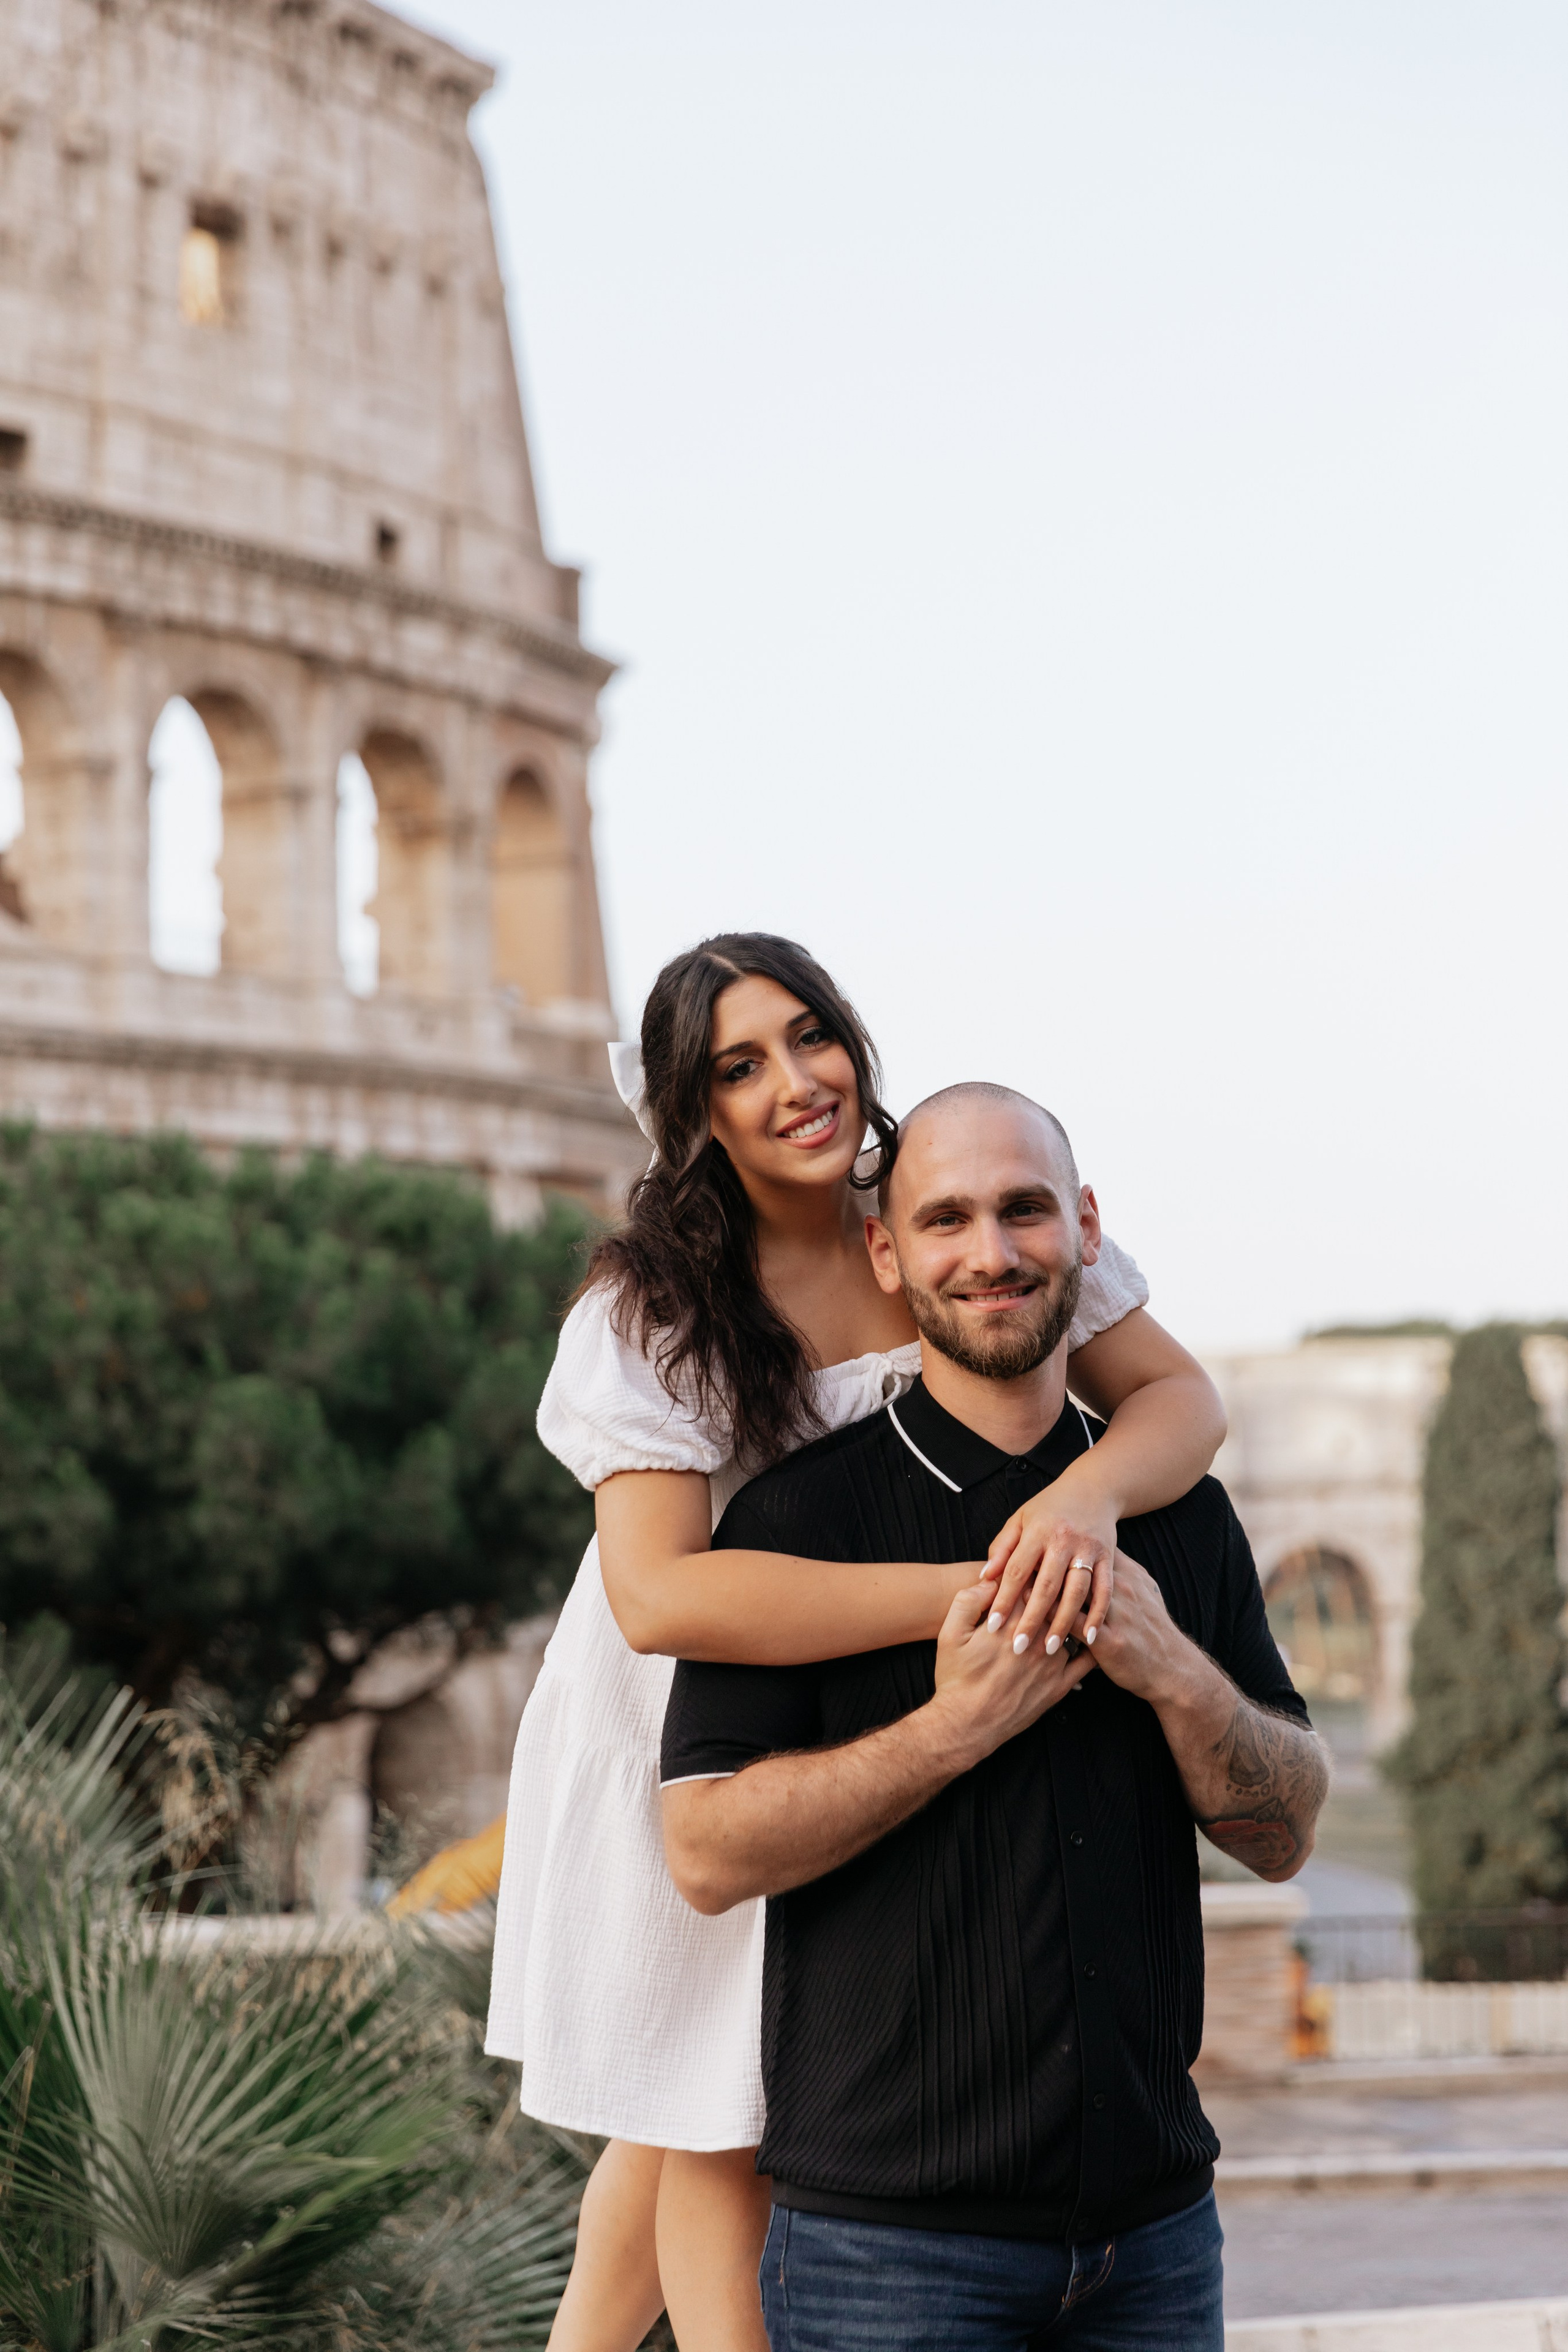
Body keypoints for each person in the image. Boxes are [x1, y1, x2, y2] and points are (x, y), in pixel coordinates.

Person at [486, 935, 1229, 2352]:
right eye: (738, 1066)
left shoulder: (947, 1219)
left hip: (871, 1691)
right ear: (687, 1109)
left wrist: (1076, 1505)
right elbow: (661, 1600)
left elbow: (1180, 1407)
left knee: (664, 2130)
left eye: (810, 1035)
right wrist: (982, 1591)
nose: (795, 1082)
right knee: (711, 2105)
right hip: (691, 1718)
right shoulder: (656, 1305)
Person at [660, 1083, 1329, 2351]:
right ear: (886, 1253)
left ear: (1082, 1227)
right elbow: (703, 1852)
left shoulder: (1178, 1514)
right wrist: (952, 1727)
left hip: (1154, 2244)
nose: (991, 1253)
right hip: (885, 2261)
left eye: (1024, 1210)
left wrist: (1173, 1672)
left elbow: (1281, 1832)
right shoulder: (799, 1523)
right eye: (946, 1219)